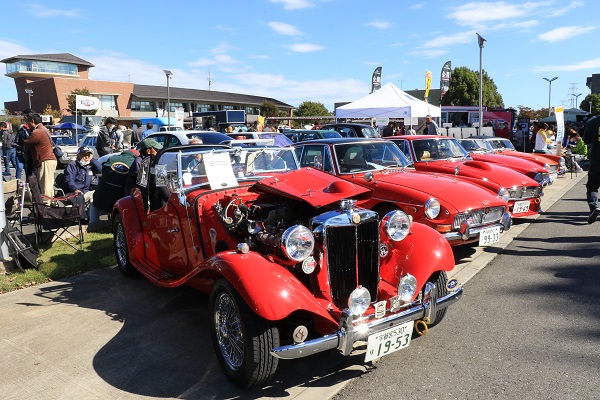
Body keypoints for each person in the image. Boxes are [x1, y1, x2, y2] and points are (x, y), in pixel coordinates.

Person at [62, 146, 102, 223]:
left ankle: (93, 220)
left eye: (88, 155)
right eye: (84, 155)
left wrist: (92, 159)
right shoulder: (72, 165)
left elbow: (100, 169)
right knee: (79, 196)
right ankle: (82, 218)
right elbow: (69, 180)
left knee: (97, 194)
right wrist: (75, 189)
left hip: (86, 191)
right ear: (79, 156)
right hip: (73, 192)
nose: (86, 157)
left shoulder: (90, 166)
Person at [23, 112, 57, 201]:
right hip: (49, 160)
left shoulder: (37, 132)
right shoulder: (44, 129)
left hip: (45, 160)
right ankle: (51, 205)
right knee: (49, 185)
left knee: (45, 186)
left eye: (27, 122)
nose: (26, 124)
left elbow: (27, 142)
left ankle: (46, 208)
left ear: (32, 121)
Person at [582, 116, 600, 223]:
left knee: (592, 186)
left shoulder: (593, 122)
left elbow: (586, 140)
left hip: (596, 159)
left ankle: (594, 207)